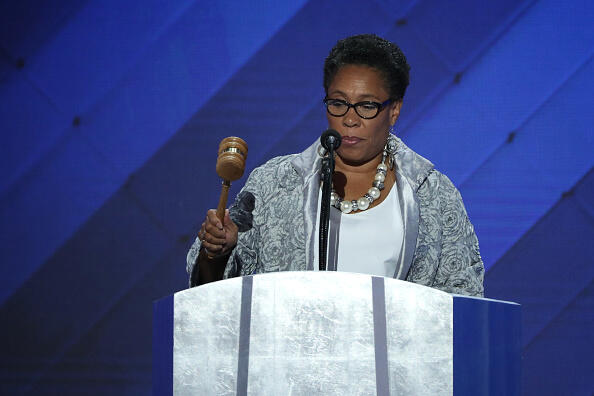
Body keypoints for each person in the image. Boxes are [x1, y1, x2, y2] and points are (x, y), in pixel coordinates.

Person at [187, 34, 484, 297]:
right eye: (338, 103)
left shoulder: (433, 194)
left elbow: (463, 297)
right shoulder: (273, 185)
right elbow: (215, 296)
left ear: (394, 111)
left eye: (367, 106)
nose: (350, 119)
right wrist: (217, 253)